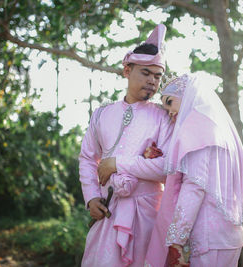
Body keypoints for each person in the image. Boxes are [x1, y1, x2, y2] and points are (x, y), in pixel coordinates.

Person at [79, 24, 173, 267]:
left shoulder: (164, 117)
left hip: (149, 216)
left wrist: (117, 163)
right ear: (127, 71)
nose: (153, 81)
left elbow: (167, 167)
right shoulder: (101, 114)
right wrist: (91, 198)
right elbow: (88, 159)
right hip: (108, 211)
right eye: (146, 73)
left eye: (157, 76)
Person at [145, 74, 243, 267]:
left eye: (170, 102)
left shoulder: (196, 127)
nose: (170, 112)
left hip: (209, 238)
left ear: (188, 95)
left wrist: (176, 241)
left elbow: (194, 186)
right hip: (228, 237)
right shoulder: (216, 126)